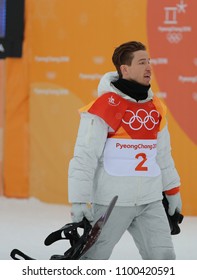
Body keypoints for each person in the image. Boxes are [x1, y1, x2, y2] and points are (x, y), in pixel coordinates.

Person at [68, 41, 182, 260]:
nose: (149, 67)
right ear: (125, 69)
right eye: (142, 62)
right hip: (111, 205)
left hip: (151, 202)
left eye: (149, 61)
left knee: (165, 260)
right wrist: (79, 201)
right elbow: (84, 157)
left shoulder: (156, 107)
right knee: (92, 262)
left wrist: (172, 191)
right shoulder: (103, 107)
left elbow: (163, 155)